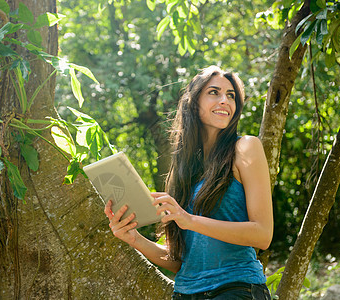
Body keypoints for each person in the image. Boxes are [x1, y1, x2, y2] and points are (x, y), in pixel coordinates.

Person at [104, 66, 273, 299]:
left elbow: (262, 234)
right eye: (214, 92)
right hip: (184, 293)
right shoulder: (182, 169)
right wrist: (133, 238)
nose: (225, 100)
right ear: (193, 103)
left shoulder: (245, 147)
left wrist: (189, 220)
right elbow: (178, 260)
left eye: (231, 95)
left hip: (235, 288)